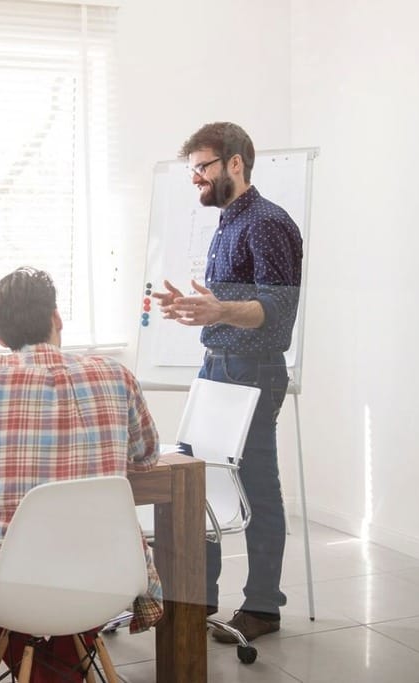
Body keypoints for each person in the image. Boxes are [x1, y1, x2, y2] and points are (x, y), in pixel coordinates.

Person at [0, 267, 163, 683]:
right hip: (109, 574)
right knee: (69, 569)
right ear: (56, 318)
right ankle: (61, 667)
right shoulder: (117, 376)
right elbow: (147, 458)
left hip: (12, 585)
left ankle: (45, 671)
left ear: (0, 339)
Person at [152, 121, 303, 643]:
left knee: (256, 485)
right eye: (192, 169)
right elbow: (237, 307)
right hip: (219, 366)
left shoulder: (266, 223)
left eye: (202, 167)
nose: (195, 178)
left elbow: (278, 312)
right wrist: (201, 310)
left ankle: (262, 607)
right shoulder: (228, 222)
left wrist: (220, 309)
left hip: (252, 373)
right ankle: (200, 598)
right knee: (199, 481)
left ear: (234, 163)